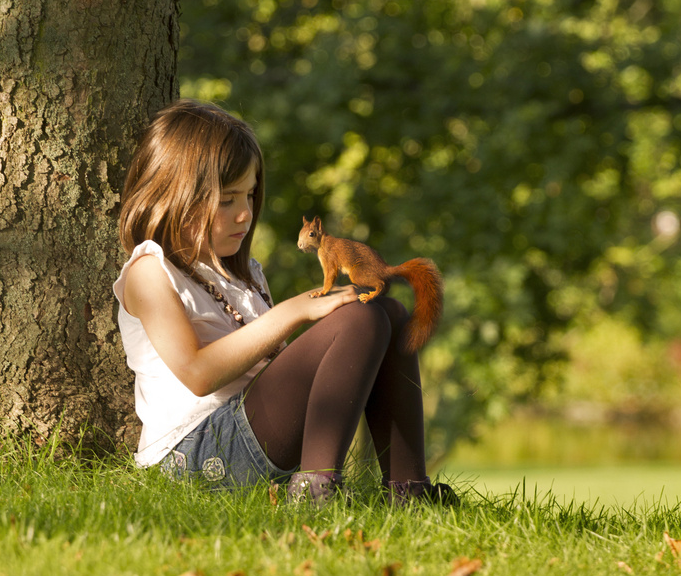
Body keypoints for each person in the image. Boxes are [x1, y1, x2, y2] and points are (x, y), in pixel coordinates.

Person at [113, 98, 455, 505]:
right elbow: (196, 373)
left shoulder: (243, 275)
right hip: (195, 455)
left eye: (250, 196)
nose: (245, 214)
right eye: (227, 200)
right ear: (174, 195)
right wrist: (293, 312)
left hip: (250, 434)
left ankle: (409, 491)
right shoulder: (150, 272)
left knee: (388, 312)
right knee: (359, 321)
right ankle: (316, 490)